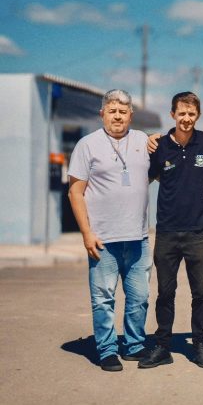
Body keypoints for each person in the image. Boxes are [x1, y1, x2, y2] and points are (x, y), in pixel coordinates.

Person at [68, 89, 152, 372]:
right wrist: (86, 233)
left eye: (123, 111)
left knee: (139, 297)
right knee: (103, 299)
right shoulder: (87, 145)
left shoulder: (143, 141)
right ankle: (106, 350)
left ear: (131, 114)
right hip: (102, 239)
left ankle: (135, 345)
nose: (118, 115)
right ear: (102, 113)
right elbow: (75, 192)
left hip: (138, 236)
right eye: (112, 110)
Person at [139, 92, 203, 369]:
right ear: (172, 114)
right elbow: (142, 178)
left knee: (201, 293)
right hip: (167, 232)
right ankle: (162, 347)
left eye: (192, 114)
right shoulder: (158, 146)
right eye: (182, 113)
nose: (187, 119)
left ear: (198, 115)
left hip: (198, 231)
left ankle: (200, 345)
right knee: (165, 292)